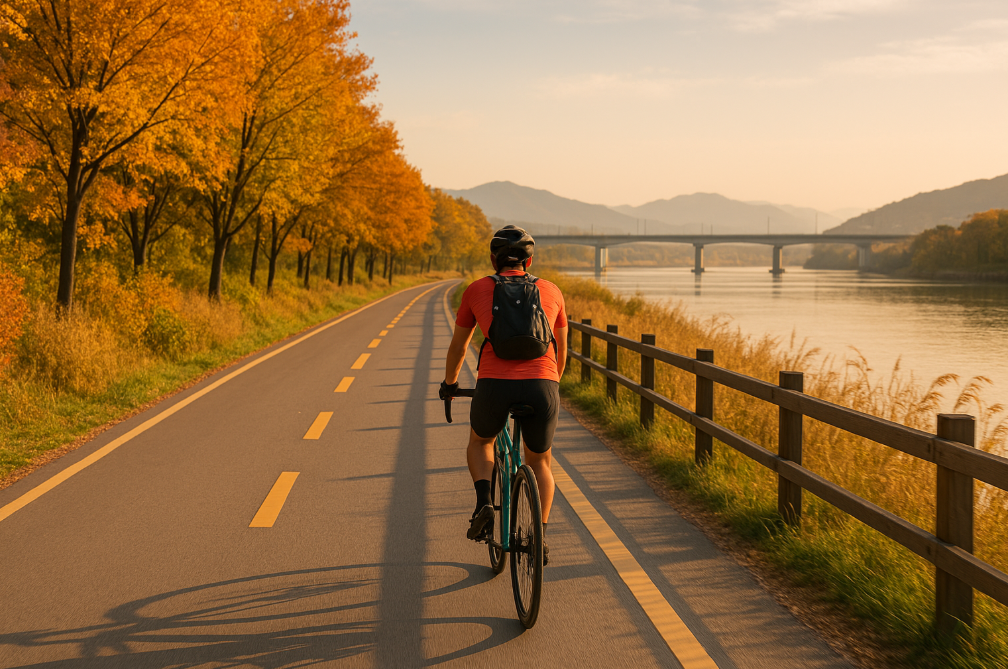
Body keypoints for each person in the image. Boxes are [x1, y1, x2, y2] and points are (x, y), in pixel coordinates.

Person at [441, 225, 568, 565]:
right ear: (530, 259)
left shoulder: (477, 290)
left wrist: (450, 384)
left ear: (493, 258)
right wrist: (551, 384)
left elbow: (459, 345)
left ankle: (484, 502)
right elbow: (562, 350)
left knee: (482, 441)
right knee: (539, 460)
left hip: (495, 383)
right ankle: (539, 535)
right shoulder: (552, 291)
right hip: (543, 383)